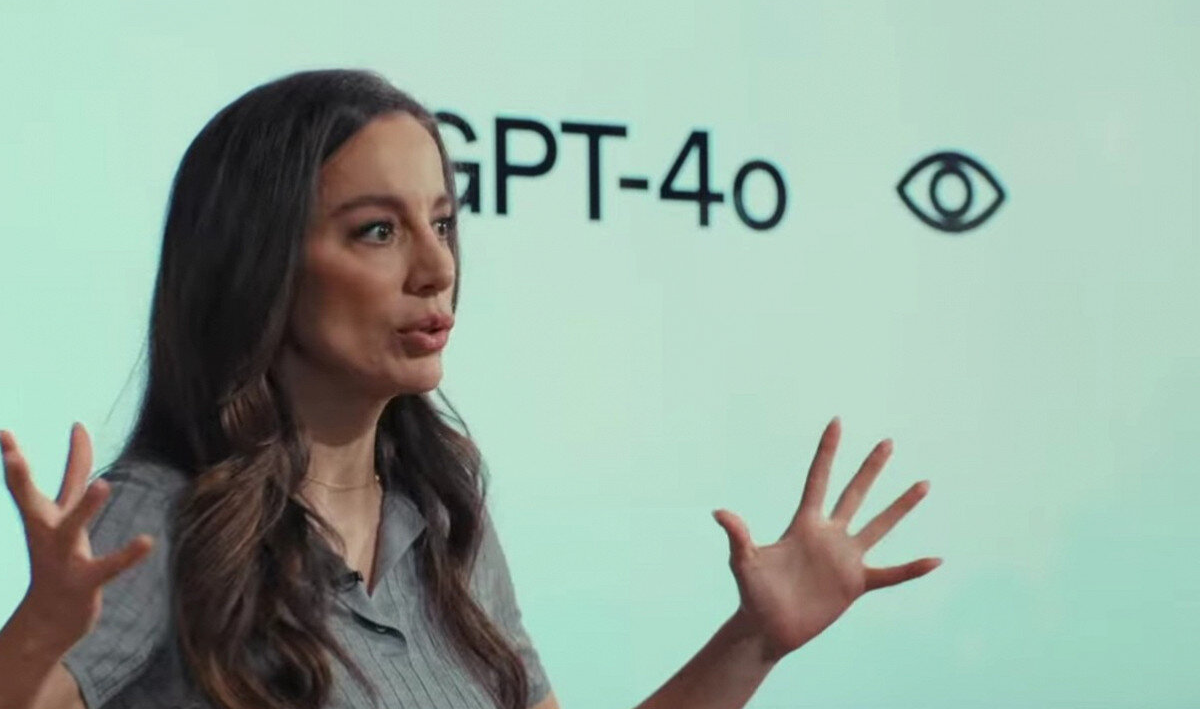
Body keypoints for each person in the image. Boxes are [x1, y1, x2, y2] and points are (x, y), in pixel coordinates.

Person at [0, 69, 941, 709]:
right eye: (378, 231)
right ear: (258, 263)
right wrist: (38, 635)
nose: (436, 269)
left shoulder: (444, 513)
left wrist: (754, 639)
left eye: (443, 224)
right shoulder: (160, 516)